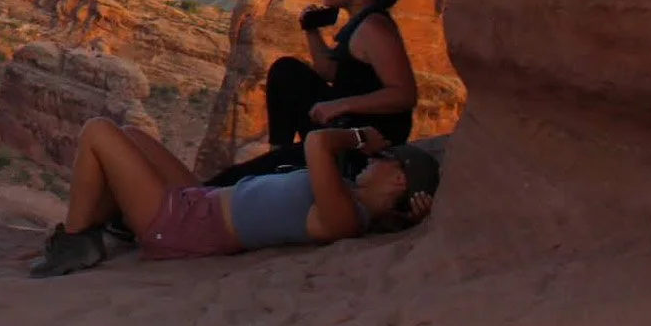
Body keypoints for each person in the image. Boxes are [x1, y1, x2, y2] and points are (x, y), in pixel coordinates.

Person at [29, 120, 439, 277]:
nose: (372, 160)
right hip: (202, 202)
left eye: (384, 159)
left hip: (183, 228)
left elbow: (316, 143)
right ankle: (103, 226)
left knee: (97, 131)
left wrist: (358, 136)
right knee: (131, 135)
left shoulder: (346, 216)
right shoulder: (349, 198)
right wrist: (406, 217)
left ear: (398, 179)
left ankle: (75, 241)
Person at [205, 0, 419, 187]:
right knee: (287, 70)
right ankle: (281, 158)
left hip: (363, 143)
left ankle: (280, 167)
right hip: (342, 128)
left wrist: (340, 105)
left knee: (229, 182)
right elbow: (330, 72)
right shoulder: (360, 23)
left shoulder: (374, 27)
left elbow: (404, 95)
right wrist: (311, 29)